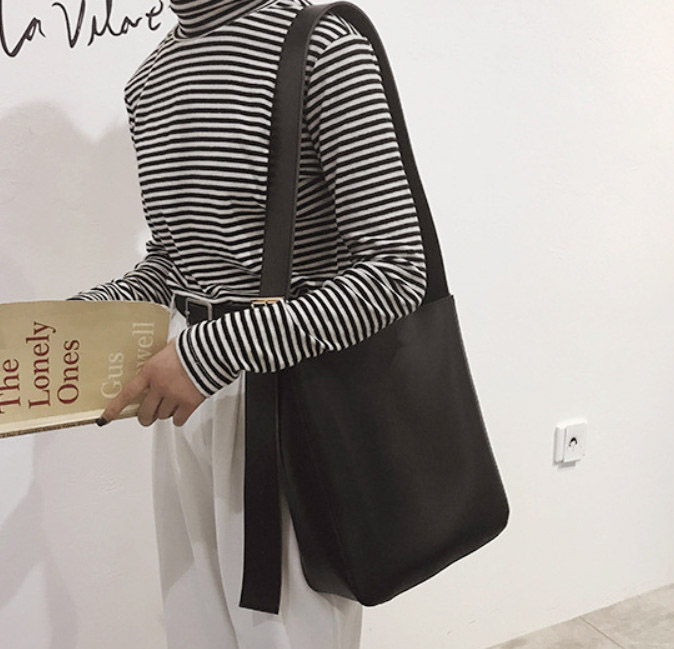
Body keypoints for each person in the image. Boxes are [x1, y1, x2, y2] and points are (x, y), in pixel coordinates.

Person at [68, 0, 427, 647]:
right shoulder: (150, 80)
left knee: (289, 634)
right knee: (194, 627)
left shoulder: (323, 48)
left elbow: (396, 270)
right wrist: (87, 316)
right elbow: (176, 261)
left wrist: (209, 353)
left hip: (295, 398)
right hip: (185, 396)